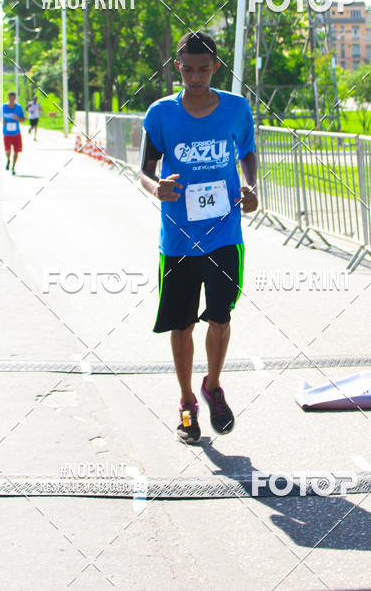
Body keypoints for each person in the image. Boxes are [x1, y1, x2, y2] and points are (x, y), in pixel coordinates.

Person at [139, 30, 258, 444]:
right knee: (182, 324)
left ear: (216, 68)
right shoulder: (160, 114)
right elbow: (144, 169)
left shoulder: (236, 108)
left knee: (221, 318)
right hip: (177, 237)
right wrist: (156, 187)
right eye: (187, 69)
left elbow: (247, 151)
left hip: (224, 231)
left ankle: (213, 385)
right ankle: (187, 401)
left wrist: (250, 185)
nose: (195, 77)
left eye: (203, 70)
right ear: (178, 67)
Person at [2, 91, 24, 175]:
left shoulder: (18, 107)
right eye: (10, 98)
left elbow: (23, 119)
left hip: (16, 133)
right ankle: (8, 160)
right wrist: (2, 121)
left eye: (13, 98)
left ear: (15, 98)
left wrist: (17, 118)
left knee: (16, 151)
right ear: (8, 98)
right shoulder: (3, 107)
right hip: (7, 133)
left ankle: (13, 167)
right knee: (8, 151)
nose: (12, 99)